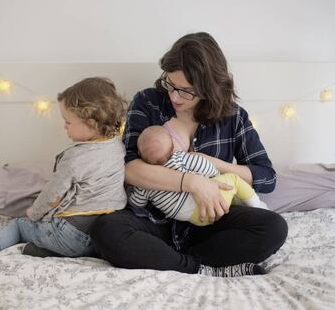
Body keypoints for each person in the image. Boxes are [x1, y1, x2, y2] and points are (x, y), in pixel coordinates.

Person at [90, 32, 288, 277]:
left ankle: (171, 259)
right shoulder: (148, 102)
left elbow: (266, 177)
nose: (174, 96)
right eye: (170, 84)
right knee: (106, 229)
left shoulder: (233, 117)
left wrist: (212, 165)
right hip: (154, 222)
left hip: (211, 221)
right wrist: (192, 183)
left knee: (274, 228)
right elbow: (129, 169)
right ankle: (198, 267)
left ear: (210, 87)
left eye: (186, 91)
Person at [0, 77, 128, 266]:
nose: (64, 127)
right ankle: (46, 251)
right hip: (102, 238)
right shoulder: (117, 147)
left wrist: (33, 213)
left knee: (19, 225)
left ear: (92, 123)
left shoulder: (74, 158)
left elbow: (52, 195)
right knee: (56, 236)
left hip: (71, 236)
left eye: (68, 122)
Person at [130, 123, 267, 226]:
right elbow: (205, 166)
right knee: (233, 180)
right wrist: (213, 178)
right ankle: (258, 205)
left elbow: (136, 202)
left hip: (192, 218)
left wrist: (131, 190)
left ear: (140, 155)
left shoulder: (146, 182)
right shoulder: (180, 158)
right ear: (172, 146)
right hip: (213, 203)